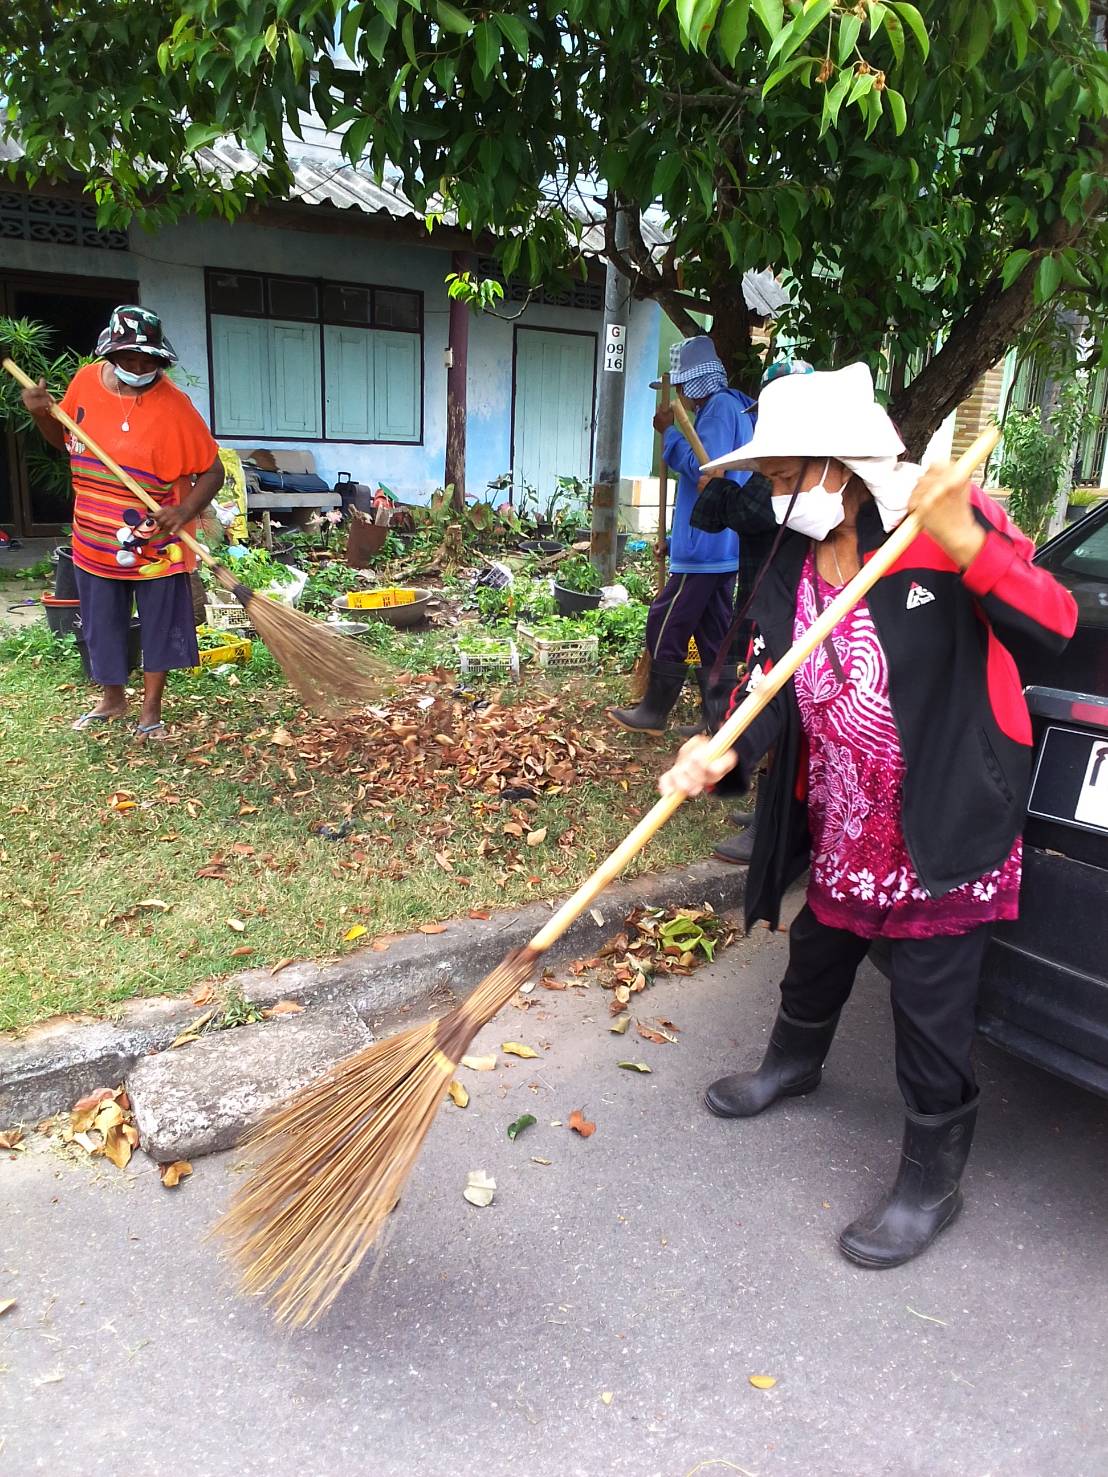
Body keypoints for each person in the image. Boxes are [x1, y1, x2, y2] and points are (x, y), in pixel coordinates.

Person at [659, 363, 1077, 1268]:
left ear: (837, 470)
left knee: (930, 1006)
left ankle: (932, 1180)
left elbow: (1056, 624)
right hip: (848, 821)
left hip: (943, 819)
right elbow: (769, 679)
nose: (772, 495)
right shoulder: (786, 559)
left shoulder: (935, 534)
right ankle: (792, 1062)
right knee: (818, 948)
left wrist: (971, 541)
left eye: (782, 477)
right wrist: (724, 746)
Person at [21, 305, 223, 739]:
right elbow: (67, 441)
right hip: (94, 536)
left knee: (159, 626)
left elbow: (213, 470)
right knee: (102, 622)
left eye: (147, 361)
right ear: (110, 354)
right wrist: (41, 414)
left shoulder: (175, 406)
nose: (138, 368)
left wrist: (184, 513)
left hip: (157, 542)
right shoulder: (86, 383)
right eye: (129, 359)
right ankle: (112, 699)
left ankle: (151, 711)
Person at [608, 335, 755, 735]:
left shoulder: (720, 409)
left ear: (694, 382)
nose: (679, 396)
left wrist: (670, 434)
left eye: (680, 388)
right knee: (714, 635)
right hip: (719, 545)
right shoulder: (738, 407)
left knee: (665, 622)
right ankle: (717, 722)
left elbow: (707, 471)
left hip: (706, 549)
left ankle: (654, 712)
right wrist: (674, 542)